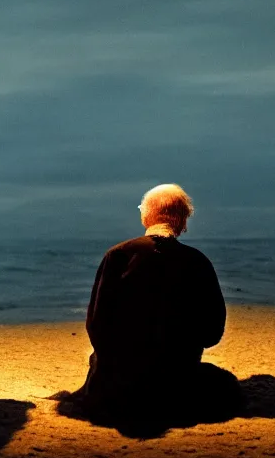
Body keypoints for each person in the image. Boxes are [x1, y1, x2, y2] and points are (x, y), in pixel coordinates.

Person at [76, 184, 244, 432]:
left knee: (97, 363)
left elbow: (97, 325)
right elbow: (212, 333)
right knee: (226, 384)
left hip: (115, 390)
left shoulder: (118, 255)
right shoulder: (197, 262)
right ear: (183, 222)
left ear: (146, 215)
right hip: (174, 386)